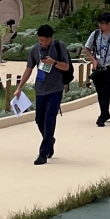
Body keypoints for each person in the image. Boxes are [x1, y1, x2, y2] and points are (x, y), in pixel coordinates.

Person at [28, 25, 72, 165]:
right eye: (41, 40)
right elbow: (29, 68)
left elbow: (66, 67)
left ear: (51, 38)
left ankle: (43, 152)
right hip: (40, 89)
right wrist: (19, 87)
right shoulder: (35, 50)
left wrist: (53, 62)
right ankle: (49, 139)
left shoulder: (59, 46)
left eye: (46, 40)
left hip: (56, 89)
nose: (44, 43)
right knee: (39, 119)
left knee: (49, 118)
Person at [82, 13, 110, 125]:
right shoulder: (95, 34)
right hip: (98, 68)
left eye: (103, 23)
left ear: (109, 24)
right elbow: (87, 48)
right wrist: (93, 60)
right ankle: (104, 112)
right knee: (100, 92)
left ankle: (103, 114)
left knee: (106, 91)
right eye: (99, 23)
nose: (100, 25)